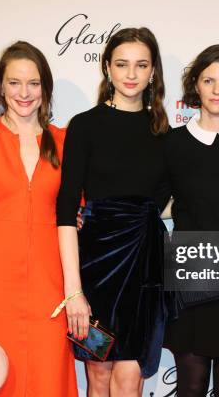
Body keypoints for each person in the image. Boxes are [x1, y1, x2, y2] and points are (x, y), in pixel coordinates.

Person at [0, 41, 78, 396]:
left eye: (34, 83)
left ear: (45, 88)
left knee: (47, 378)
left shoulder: (64, 141)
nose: (24, 93)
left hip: (51, 289)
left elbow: (74, 214)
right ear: (0, 86)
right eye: (14, 83)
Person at [56, 27, 170, 396]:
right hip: (96, 271)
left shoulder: (164, 132)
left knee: (129, 377)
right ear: (107, 67)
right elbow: (65, 207)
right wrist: (74, 290)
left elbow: (170, 200)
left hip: (144, 271)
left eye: (141, 65)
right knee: (99, 375)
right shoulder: (85, 126)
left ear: (153, 71)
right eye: (122, 64)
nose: (131, 74)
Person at [163, 45, 219, 397]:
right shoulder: (173, 143)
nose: (217, 90)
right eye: (208, 80)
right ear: (195, 85)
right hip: (191, 280)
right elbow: (154, 202)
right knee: (191, 387)